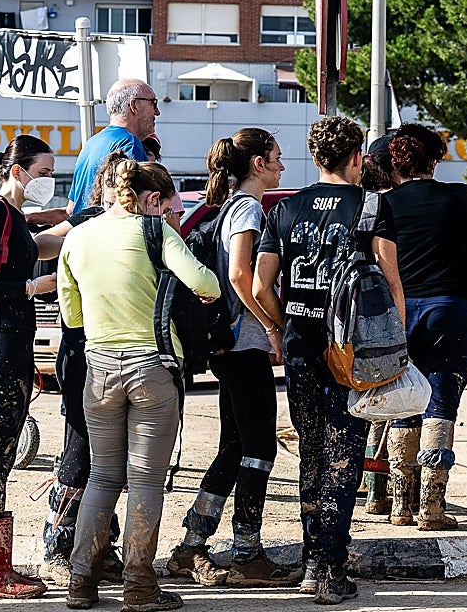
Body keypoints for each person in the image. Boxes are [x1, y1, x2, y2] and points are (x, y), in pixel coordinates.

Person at [253, 116, 406, 606]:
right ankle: (330, 571)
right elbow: (391, 286)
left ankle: (310, 560)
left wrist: (283, 326)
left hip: (301, 348)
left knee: (312, 453)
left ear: (315, 158)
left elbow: (259, 285)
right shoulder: (371, 206)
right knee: (343, 455)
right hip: (352, 353)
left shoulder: (286, 209)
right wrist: (394, 349)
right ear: (357, 157)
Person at [58, 160, 220, 612]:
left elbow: (72, 318)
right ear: (150, 197)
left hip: (99, 369)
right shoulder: (155, 232)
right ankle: (138, 586)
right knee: (145, 480)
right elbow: (205, 282)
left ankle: (81, 583)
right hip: (152, 368)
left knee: (103, 477)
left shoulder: (77, 237)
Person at [167, 128, 299, 588]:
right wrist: (272, 325)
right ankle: (246, 553)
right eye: (277, 158)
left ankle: (191, 545)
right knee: (260, 449)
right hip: (243, 343)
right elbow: (242, 276)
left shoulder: (227, 206)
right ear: (258, 163)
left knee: (236, 445)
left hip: (231, 344)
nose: (282, 165)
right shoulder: (246, 208)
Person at [383, 126, 467, 531]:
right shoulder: (459, 197)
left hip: (399, 312)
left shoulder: (382, 205)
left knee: (405, 402)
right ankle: (433, 507)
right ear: (434, 161)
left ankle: (399, 505)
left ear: (396, 163)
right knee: (440, 405)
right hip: (450, 309)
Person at [0, 135, 63, 600]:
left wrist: (70, 229)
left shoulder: (14, 217)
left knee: (2, 451)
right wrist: (29, 288)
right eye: (43, 173)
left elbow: (30, 250)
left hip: (10, 342)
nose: (49, 181)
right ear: (18, 171)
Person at [40, 151, 132, 586]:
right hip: (84, 357)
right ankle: (58, 544)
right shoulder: (89, 223)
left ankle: (100, 546)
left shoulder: (140, 227)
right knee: (80, 455)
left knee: (110, 460)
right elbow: (43, 247)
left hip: (112, 357)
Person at [357, 131, 397, 517]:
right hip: (383, 315)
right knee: (389, 406)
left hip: (352, 318)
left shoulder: (357, 203)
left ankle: (369, 489)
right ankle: (380, 492)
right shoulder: (386, 206)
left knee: (369, 405)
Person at [66, 78, 159, 214]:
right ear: (134, 106)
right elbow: (136, 208)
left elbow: (71, 208)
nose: (157, 112)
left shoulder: (91, 143)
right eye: (153, 103)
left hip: (83, 231)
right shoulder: (129, 143)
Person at [142, 135, 185, 232]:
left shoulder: (166, 188)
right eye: (141, 152)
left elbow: (175, 230)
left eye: (148, 154)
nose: (144, 157)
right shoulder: (127, 185)